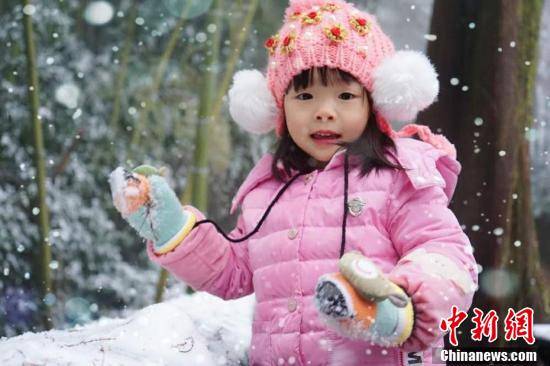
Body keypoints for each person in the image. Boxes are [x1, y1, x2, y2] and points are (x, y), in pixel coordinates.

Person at [110, 0, 478, 364]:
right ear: (279, 106)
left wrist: (401, 308)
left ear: (373, 103)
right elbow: (234, 273)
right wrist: (174, 232)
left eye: (345, 95)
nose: (324, 110)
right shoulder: (269, 190)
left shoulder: (397, 178)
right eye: (304, 95)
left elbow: (446, 255)